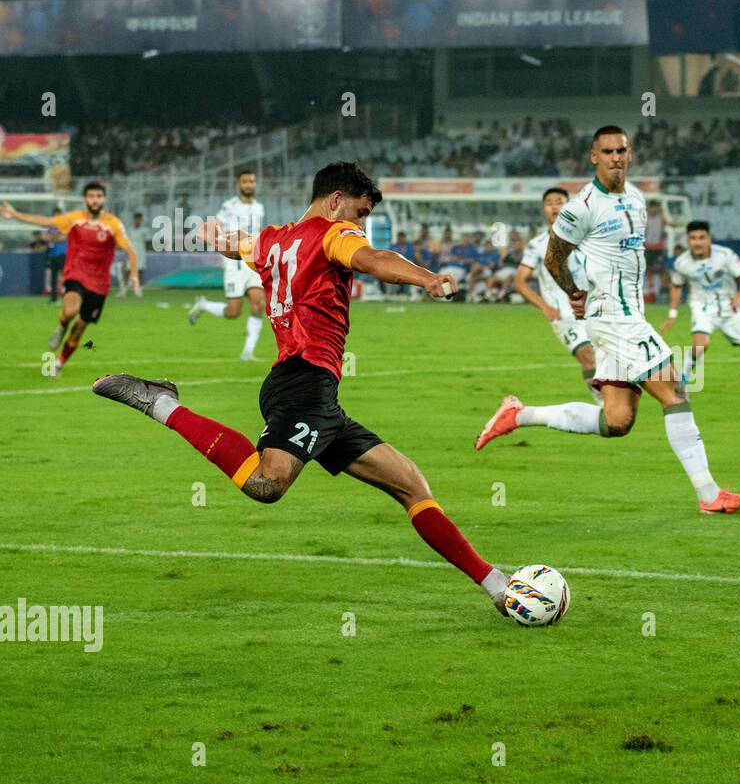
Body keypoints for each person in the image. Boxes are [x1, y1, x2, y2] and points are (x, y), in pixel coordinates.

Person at [91, 162, 515, 617]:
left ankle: (497, 585)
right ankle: (161, 403)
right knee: (266, 482)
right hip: (304, 382)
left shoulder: (275, 239)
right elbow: (376, 261)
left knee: (410, 484)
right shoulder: (334, 234)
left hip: (313, 394)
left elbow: (242, 248)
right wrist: (426, 277)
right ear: (336, 200)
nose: (361, 225)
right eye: (360, 211)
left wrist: (218, 238)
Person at [474, 126, 740, 515]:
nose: (615, 157)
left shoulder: (638, 199)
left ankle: (519, 414)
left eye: (621, 150)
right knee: (675, 391)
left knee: (617, 421)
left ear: (630, 154)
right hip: (616, 320)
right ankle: (710, 494)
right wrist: (574, 292)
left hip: (625, 316)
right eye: (607, 151)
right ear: (594, 156)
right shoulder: (583, 206)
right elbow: (553, 258)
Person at [0, 182, 140, 376]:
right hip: (76, 274)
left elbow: (129, 250)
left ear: (104, 199)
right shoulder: (74, 219)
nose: (95, 200)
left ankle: (59, 363)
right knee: (70, 310)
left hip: (99, 284)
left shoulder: (113, 224)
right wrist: (15, 215)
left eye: (99, 196)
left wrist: (134, 275)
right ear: (85, 199)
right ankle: (61, 326)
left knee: (81, 327)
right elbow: (46, 222)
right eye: (91, 196)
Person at [660, 220, 740, 397]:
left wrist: (739, 298)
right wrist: (672, 314)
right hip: (702, 307)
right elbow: (676, 285)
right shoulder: (682, 262)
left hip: (729, 309)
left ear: (709, 239)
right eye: (693, 238)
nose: (697, 242)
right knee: (701, 345)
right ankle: (682, 383)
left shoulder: (725, 255)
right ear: (688, 241)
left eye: (701, 237)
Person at [514, 187, 600, 398]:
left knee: (607, 361)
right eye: (549, 202)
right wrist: (546, 307)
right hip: (564, 316)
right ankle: (603, 405)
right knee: (587, 357)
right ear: (544, 209)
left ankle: (613, 406)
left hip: (595, 310)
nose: (554, 206)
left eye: (559, 201)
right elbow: (520, 282)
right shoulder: (537, 245)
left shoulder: (587, 237)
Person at [187, 170, 267, 360]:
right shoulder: (229, 206)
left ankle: (248, 352)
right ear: (238, 185)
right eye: (245, 181)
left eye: (252, 181)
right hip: (234, 262)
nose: (249, 184)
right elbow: (214, 226)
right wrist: (218, 241)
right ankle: (204, 305)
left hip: (253, 259)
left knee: (258, 302)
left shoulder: (259, 207)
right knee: (234, 312)